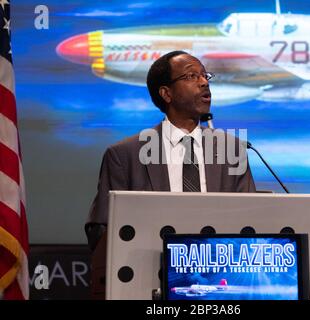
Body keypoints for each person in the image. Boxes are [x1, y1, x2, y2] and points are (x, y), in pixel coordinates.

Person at [85, 51, 256, 250]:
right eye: (191, 76)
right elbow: (101, 228)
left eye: (205, 75)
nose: (204, 82)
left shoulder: (232, 150)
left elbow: (251, 221)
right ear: (166, 93)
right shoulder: (125, 155)